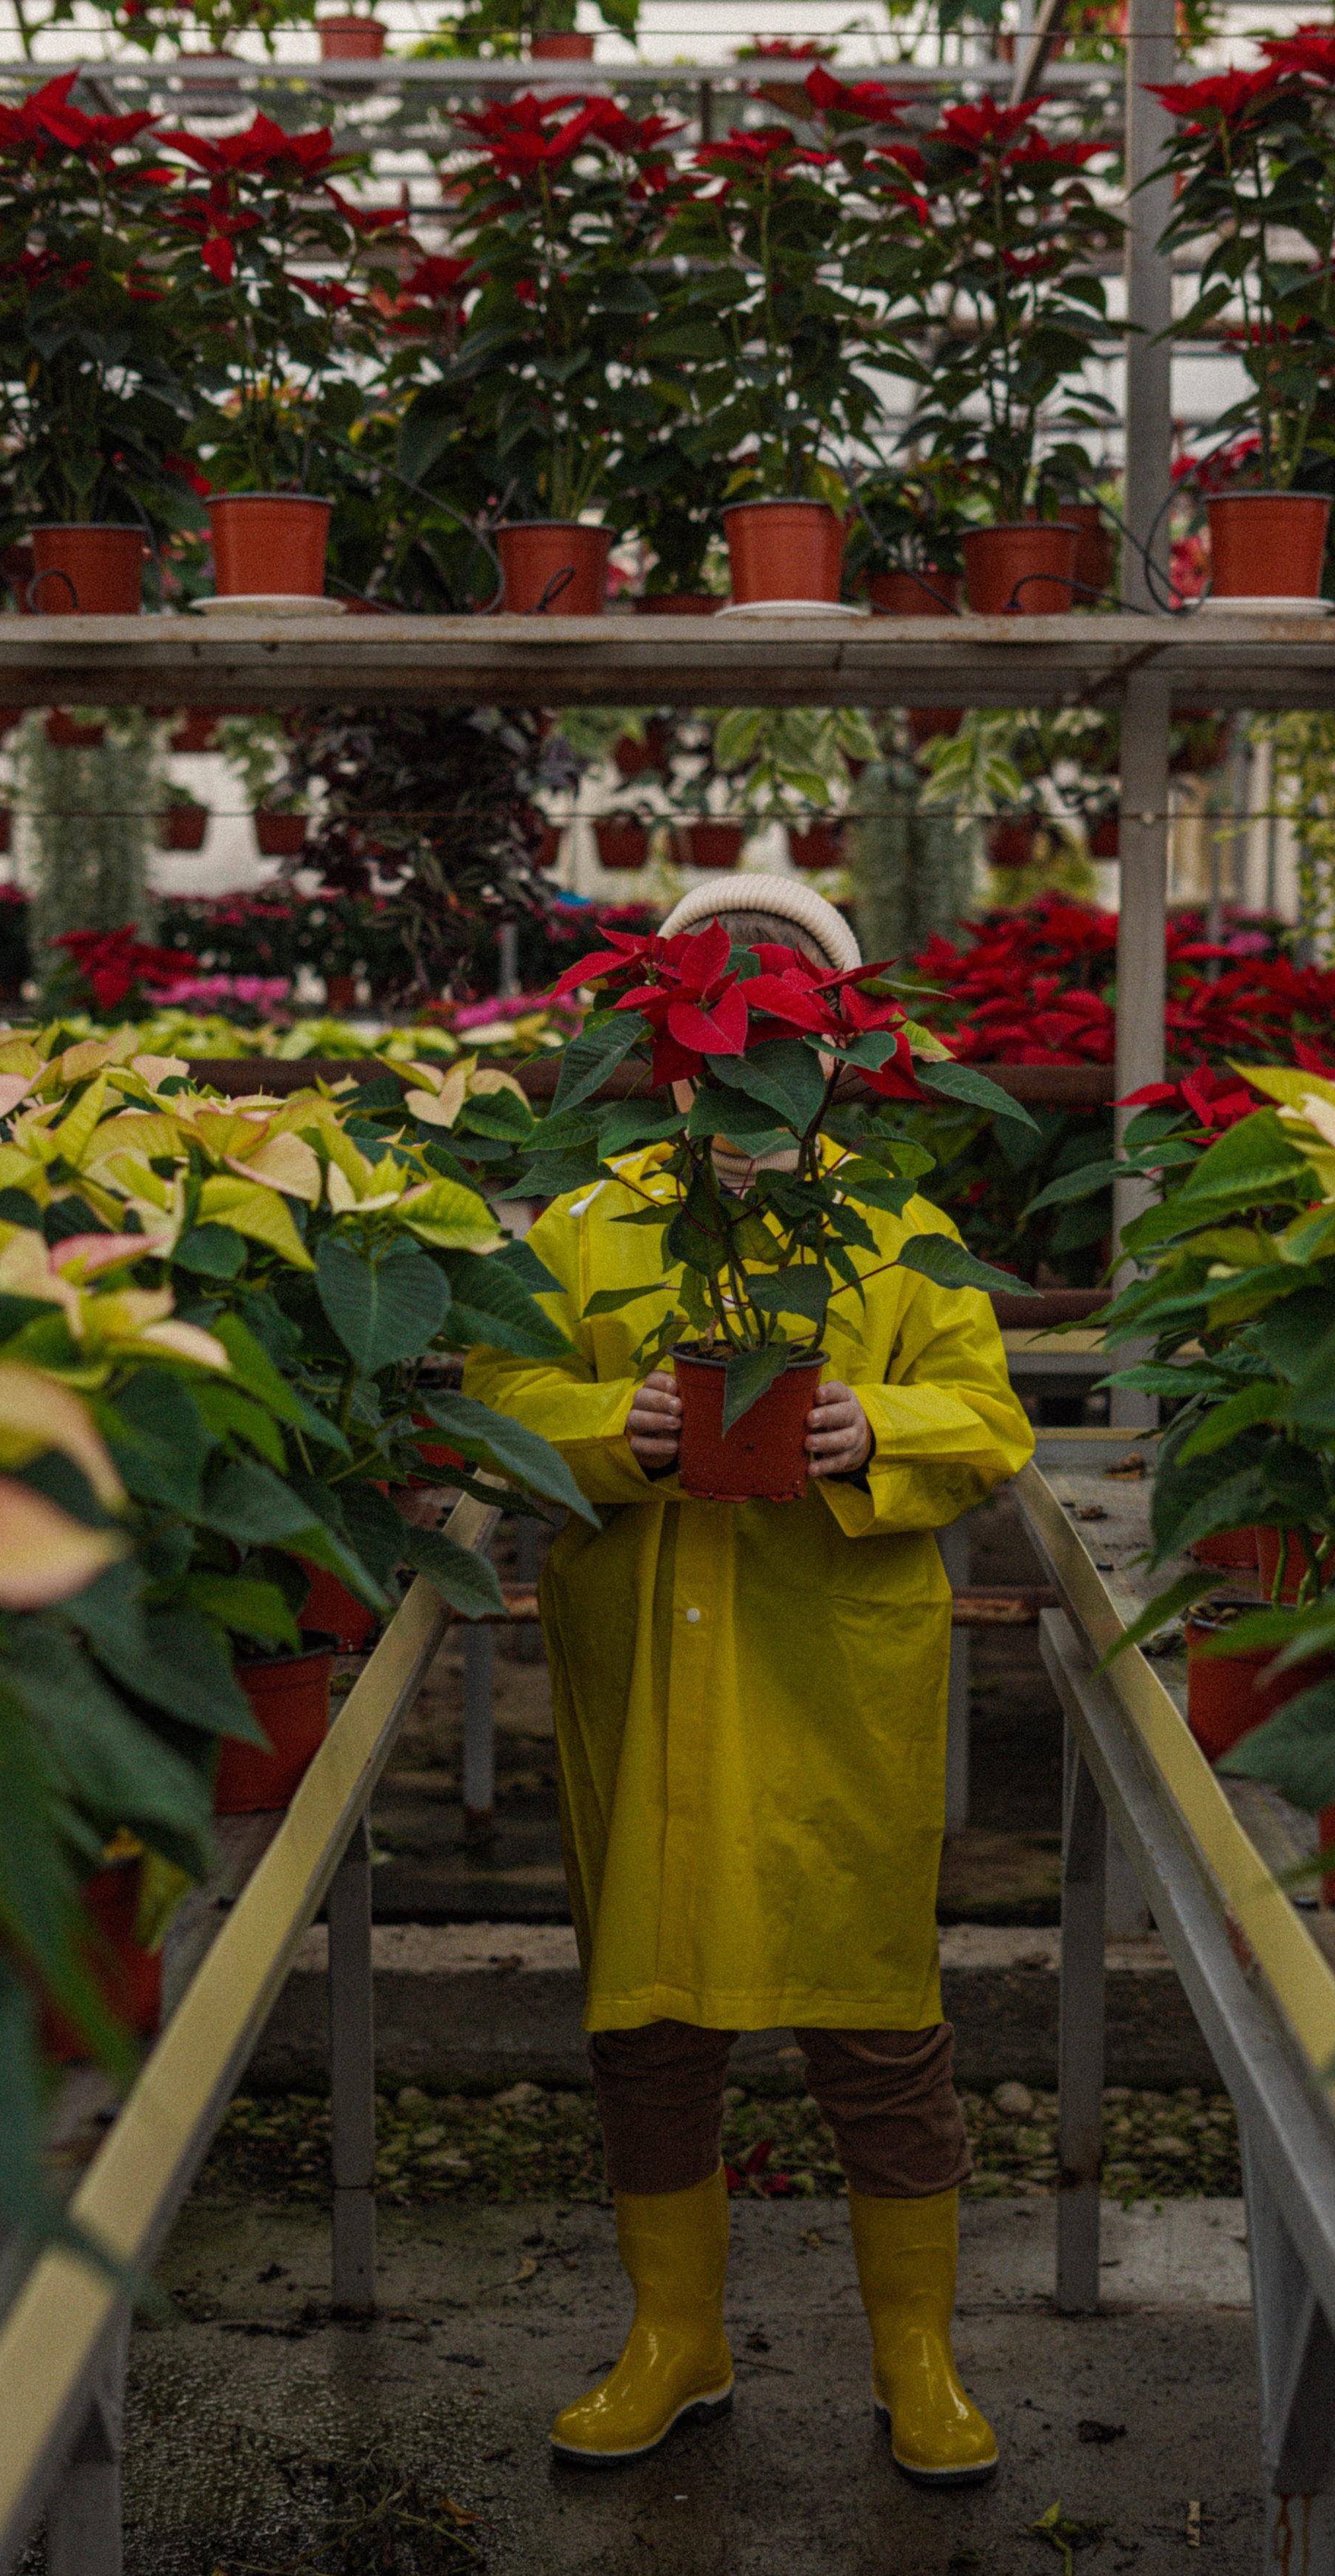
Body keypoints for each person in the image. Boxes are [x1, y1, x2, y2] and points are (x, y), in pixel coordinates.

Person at [464, 874, 1036, 2483]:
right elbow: (507, 1379)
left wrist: (881, 1427)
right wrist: (609, 1427)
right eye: (714, 1033)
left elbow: (986, 1415)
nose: (739, 1071)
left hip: (827, 1678)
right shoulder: (591, 1220)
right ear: (666, 1048)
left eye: (781, 1032)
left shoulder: (896, 1226)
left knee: (874, 2019)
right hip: (642, 1663)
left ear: (835, 1051)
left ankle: (913, 2355)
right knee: (647, 2021)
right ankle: (676, 2338)